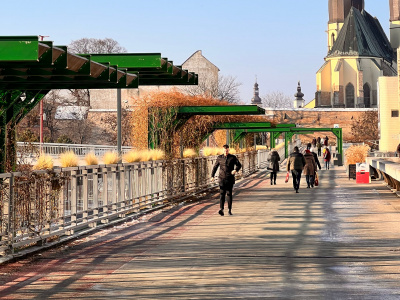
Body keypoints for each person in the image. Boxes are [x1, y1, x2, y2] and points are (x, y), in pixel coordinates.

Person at [212, 145, 242, 216]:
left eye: (227, 150)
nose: (226, 152)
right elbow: (215, 167)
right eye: (225, 151)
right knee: (222, 194)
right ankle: (221, 209)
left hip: (230, 178)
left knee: (229, 194)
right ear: (223, 150)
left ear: (229, 150)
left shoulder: (233, 157)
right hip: (221, 178)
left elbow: (239, 165)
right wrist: (212, 176)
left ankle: (229, 209)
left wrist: (235, 170)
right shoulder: (219, 158)